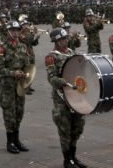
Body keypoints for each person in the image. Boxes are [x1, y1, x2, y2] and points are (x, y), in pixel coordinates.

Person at [45, 27, 87, 168]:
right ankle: (67, 160)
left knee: (77, 127)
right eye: (62, 40)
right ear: (55, 41)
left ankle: (74, 157)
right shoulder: (51, 57)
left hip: (75, 96)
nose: (65, 41)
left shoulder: (71, 52)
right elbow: (51, 78)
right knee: (65, 130)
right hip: (62, 98)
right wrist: (62, 81)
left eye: (65, 38)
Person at [0, 20, 31, 154]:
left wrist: (26, 75)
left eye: (17, 30)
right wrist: (12, 73)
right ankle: (9, 142)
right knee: (9, 113)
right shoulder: (1, 47)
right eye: (13, 30)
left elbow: (27, 65)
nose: (16, 33)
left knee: (19, 112)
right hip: (7, 85)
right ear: (8, 31)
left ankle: (17, 140)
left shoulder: (23, 46)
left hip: (20, 84)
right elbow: (0, 68)